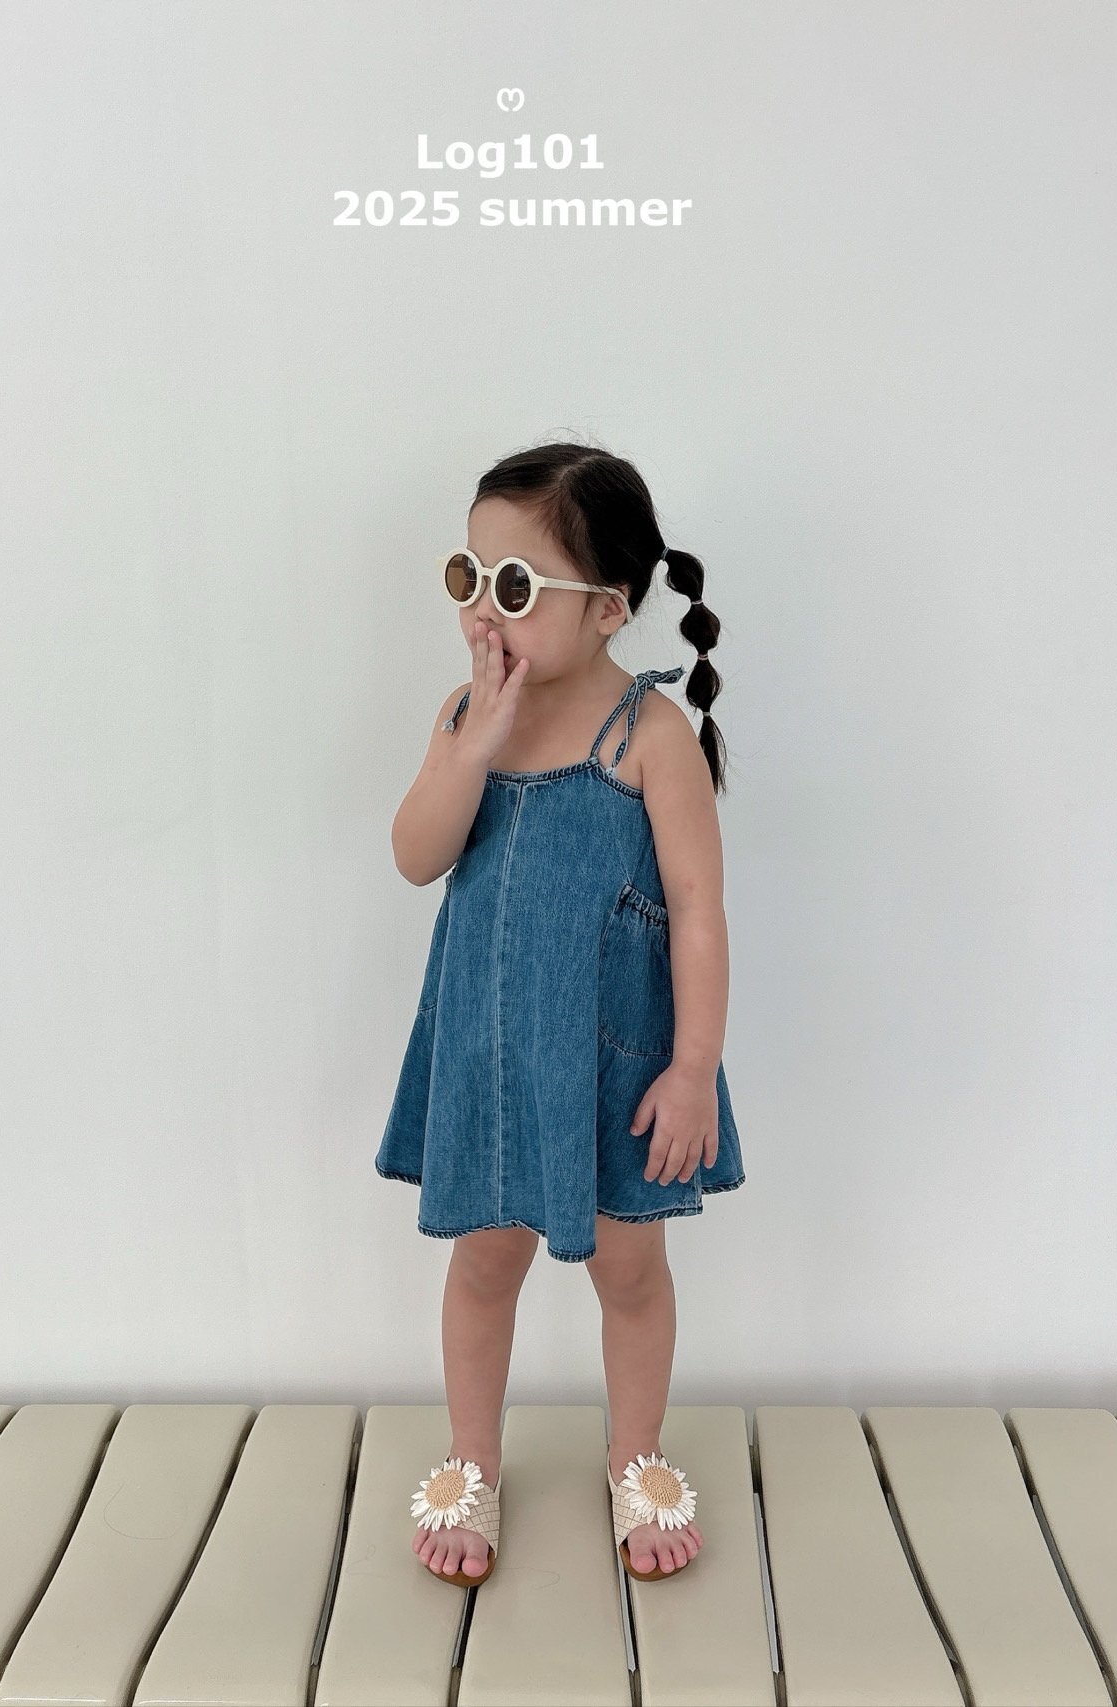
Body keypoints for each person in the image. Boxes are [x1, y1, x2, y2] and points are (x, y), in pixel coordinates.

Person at [375, 440, 746, 1588]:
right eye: (469, 578)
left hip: (616, 1066)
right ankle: (471, 1459)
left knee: (628, 1272)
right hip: (491, 1051)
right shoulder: (464, 717)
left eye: (516, 587)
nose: (483, 611)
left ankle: (634, 1457)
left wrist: (692, 1069)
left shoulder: (650, 738)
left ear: (608, 609)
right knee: (484, 1264)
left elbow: (697, 913)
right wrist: (473, 746)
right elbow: (414, 855)